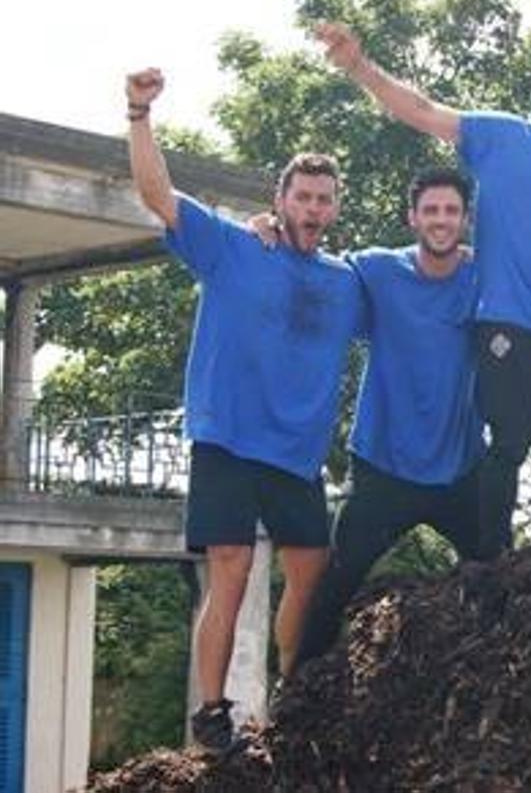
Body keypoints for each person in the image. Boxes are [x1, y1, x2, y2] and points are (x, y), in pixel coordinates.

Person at [124, 69, 364, 751]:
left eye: (324, 198)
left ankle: (296, 694)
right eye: (303, 195)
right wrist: (140, 113)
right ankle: (212, 710)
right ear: (280, 198)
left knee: (312, 573)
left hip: (296, 452)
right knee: (229, 565)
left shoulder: (347, 281)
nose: (313, 207)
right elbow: (155, 193)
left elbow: (413, 301)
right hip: (227, 437)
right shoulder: (233, 245)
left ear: (334, 208)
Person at [314, 23, 531, 558]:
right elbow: (423, 109)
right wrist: (359, 67)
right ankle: (498, 564)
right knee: (507, 447)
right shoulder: (502, 136)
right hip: (508, 322)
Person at [289, 168, 487, 668]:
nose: (441, 220)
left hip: (460, 467)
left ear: (466, 220)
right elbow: (310, 264)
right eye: (431, 210)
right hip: (383, 464)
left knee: (501, 577)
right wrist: (268, 227)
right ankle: (292, 696)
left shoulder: (485, 276)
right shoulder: (375, 270)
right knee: (335, 582)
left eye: (451, 211)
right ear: (412, 218)